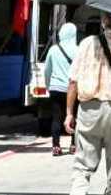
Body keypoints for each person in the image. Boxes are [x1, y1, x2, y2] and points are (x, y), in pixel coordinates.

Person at [65, 13, 111, 195]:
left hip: (88, 109)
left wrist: (69, 113)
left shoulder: (87, 44)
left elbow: (73, 81)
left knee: (82, 165)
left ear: (104, 22)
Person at [43, 22, 79, 156]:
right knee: (74, 116)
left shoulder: (53, 49)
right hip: (73, 89)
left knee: (56, 118)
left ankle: (56, 146)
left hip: (56, 88)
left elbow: (47, 70)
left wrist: (48, 85)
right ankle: (74, 145)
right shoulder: (78, 50)